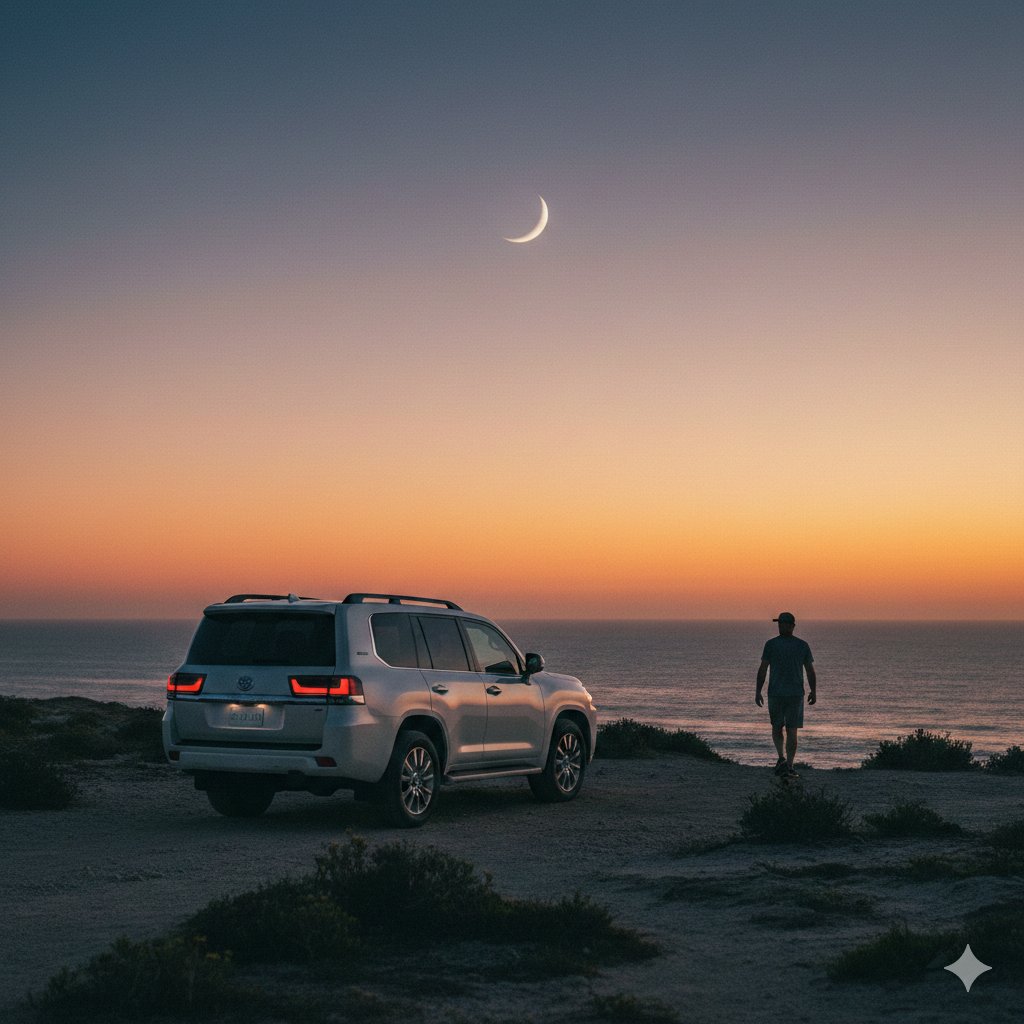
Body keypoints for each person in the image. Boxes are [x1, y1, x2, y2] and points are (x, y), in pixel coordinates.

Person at [755, 612, 816, 778]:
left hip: (783, 694)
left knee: (784, 729)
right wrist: (813, 691)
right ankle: (785, 762)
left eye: (782, 623)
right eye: (779, 623)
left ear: (791, 625)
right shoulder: (800, 645)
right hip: (788, 694)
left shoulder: (773, 645)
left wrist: (758, 692)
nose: (780, 626)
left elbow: (763, 669)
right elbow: (809, 671)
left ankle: (786, 762)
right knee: (784, 728)